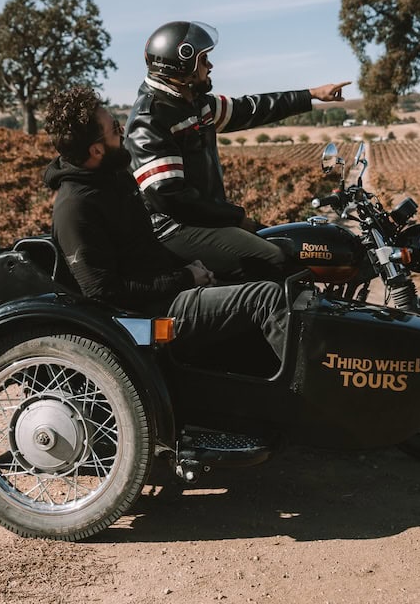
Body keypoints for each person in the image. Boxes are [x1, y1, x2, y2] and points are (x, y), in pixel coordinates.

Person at [42, 86, 288, 369]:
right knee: (267, 299)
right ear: (96, 150)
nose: (123, 133)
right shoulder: (76, 208)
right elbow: (103, 292)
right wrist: (185, 277)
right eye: (115, 129)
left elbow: (144, 246)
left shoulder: (113, 178)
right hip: (148, 314)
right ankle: (315, 402)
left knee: (255, 276)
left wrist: (191, 267)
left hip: (166, 292)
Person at [126, 20, 349, 281]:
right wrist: (236, 218)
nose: (210, 66)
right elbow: (170, 197)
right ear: (182, 63)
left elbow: (251, 108)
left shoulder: (194, 104)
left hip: (203, 220)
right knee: (274, 260)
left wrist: (311, 94)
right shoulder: (151, 119)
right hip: (174, 229)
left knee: (296, 246)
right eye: (204, 59)